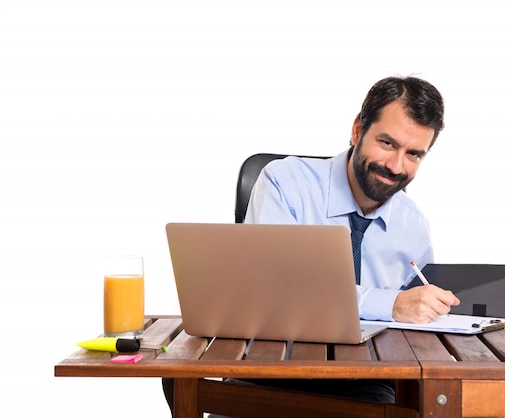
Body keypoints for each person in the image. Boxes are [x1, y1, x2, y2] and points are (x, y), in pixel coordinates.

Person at [163, 75, 460, 415]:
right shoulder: (285, 184)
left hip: (367, 384)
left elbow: (414, 325)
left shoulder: (414, 226)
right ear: (357, 130)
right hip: (270, 370)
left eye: (414, 154)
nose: (396, 166)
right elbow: (277, 293)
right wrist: (390, 303)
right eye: (388, 143)